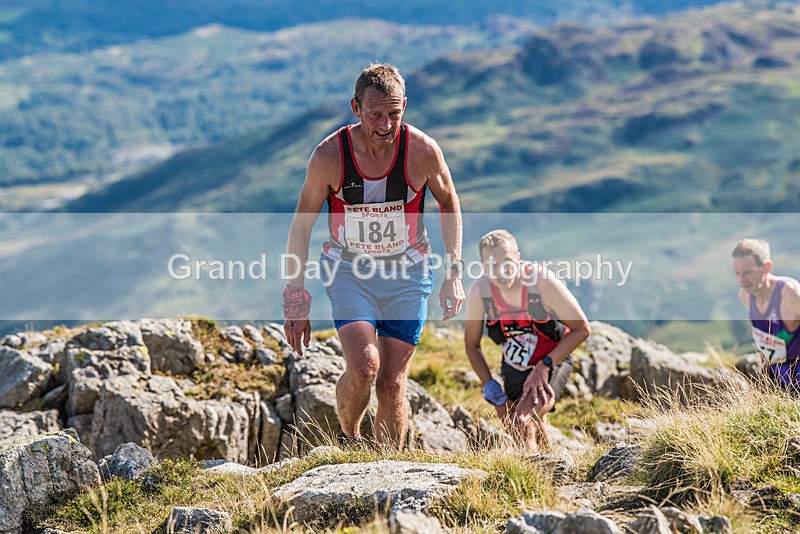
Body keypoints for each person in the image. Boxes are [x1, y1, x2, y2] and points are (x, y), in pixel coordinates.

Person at [283, 63, 464, 448]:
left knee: (393, 382)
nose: (385, 124)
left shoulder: (423, 151)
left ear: (405, 107)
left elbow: (449, 203)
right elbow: (301, 226)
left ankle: (386, 471)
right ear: (356, 108)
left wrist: (454, 273)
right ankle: (350, 437)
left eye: (394, 114)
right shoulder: (330, 155)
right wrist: (295, 297)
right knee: (365, 367)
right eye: (376, 114)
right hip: (350, 271)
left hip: (409, 271)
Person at [464, 230, 590, 451]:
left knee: (522, 420)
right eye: (492, 265)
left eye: (507, 262)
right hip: (515, 363)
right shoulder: (480, 292)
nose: (501, 271)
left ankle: (531, 481)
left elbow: (581, 329)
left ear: (519, 258)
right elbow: (471, 345)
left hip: (552, 357)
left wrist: (544, 365)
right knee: (519, 423)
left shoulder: (541, 282)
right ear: (483, 267)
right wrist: (491, 388)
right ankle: (554, 472)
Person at [732, 238, 800, 391]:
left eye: (748, 272)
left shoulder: (789, 294)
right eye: (737, 273)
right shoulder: (745, 296)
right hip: (776, 381)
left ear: (766, 267)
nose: (742, 280)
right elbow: (766, 343)